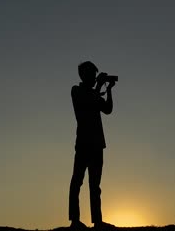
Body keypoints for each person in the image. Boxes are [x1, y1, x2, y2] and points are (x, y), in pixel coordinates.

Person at [69, 61, 116, 230]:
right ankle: (75, 220)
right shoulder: (77, 91)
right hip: (83, 143)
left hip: (97, 144)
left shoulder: (93, 93)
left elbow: (108, 109)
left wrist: (108, 90)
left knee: (95, 185)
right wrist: (98, 86)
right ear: (84, 75)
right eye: (92, 74)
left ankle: (97, 221)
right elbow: (87, 104)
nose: (94, 77)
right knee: (77, 181)